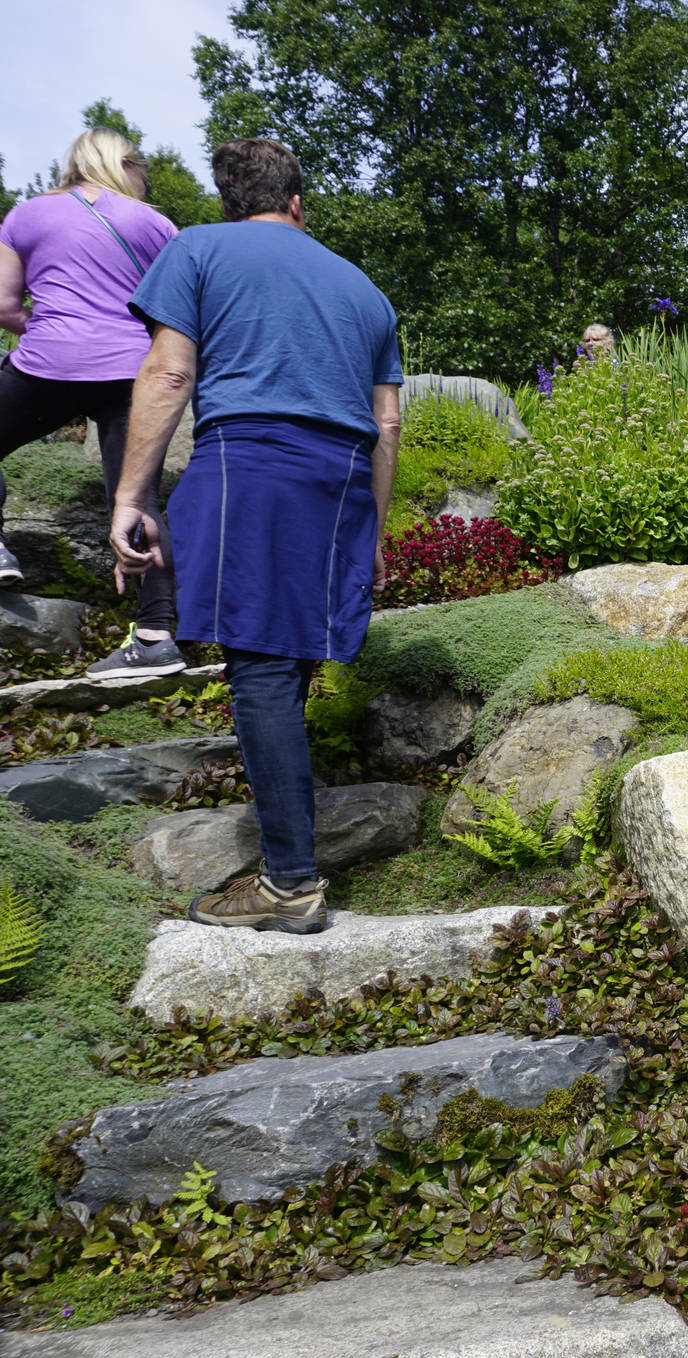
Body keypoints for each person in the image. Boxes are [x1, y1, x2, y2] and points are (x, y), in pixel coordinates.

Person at [112, 138, 401, 933]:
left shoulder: (199, 247)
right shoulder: (365, 289)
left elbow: (169, 373)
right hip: (341, 476)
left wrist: (132, 495)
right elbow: (387, 421)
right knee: (293, 650)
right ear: (298, 204)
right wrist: (373, 526)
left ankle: (290, 882)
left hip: (254, 460)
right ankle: (291, 849)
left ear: (230, 200)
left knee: (260, 663)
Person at [0, 128, 185, 677]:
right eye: (141, 169)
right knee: (138, 500)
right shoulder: (155, 224)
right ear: (122, 164)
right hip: (133, 373)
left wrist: (58, 326)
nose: (143, 179)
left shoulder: (26, 215)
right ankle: (156, 636)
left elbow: (6, 307)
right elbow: (175, 312)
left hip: (47, 365)